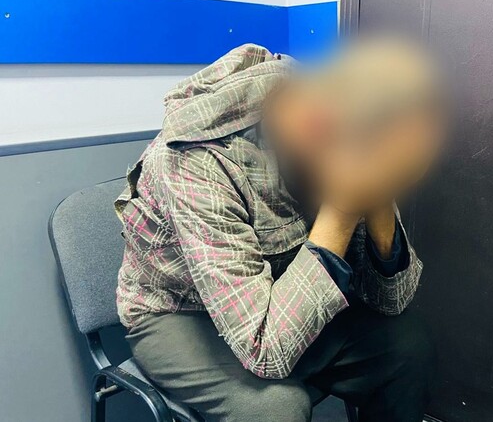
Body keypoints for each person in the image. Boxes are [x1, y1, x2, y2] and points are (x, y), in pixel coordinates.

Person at [115, 39, 446, 422]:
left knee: (408, 346)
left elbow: (391, 301)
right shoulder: (195, 160)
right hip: (180, 313)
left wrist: (377, 192)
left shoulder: (347, 132)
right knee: (275, 407)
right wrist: (342, 206)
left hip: (273, 290)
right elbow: (265, 352)